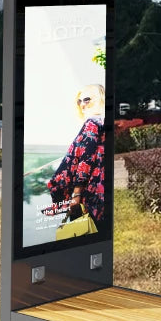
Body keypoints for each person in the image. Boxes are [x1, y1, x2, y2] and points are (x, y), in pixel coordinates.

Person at [46, 84, 106, 229]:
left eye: (87, 100)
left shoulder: (92, 124)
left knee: (84, 230)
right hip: (99, 187)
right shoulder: (103, 123)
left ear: (99, 99)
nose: (82, 105)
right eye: (79, 101)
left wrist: (76, 194)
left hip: (89, 191)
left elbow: (86, 161)